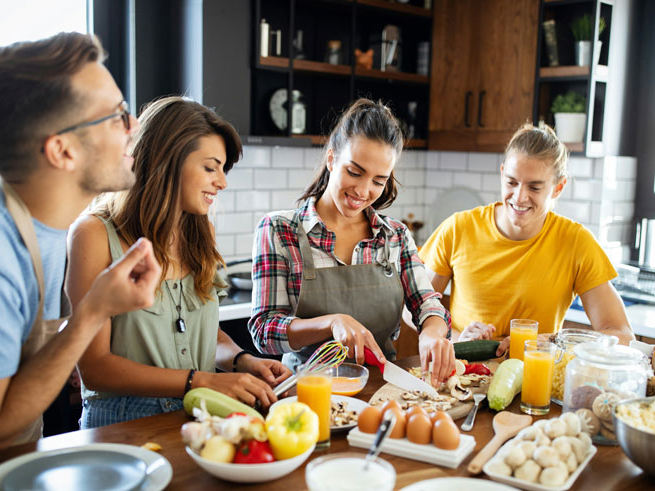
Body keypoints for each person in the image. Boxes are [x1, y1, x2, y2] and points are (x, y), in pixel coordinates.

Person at [0, 33, 162, 456]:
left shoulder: (47, 223)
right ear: (62, 150)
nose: (135, 126)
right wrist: (94, 311)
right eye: (117, 115)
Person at [66, 96, 292, 428]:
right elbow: (95, 367)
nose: (222, 182)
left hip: (198, 418)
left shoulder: (202, 234)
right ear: (168, 159)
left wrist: (242, 361)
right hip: (120, 426)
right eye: (210, 167)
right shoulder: (94, 234)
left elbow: (206, 336)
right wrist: (200, 380)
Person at [248, 98, 454, 387]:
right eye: (355, 172)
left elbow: (427, 303)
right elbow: (264, 332)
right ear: (331, 159)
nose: (363, 190)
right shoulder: (279, 231)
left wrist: (433, 330)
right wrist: (332, 323)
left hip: (383, 394)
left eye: (378, 181)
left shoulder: (394, 236)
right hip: (305, 396)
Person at [419, 123, 634, 354]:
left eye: (534, 187)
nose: (519, 197)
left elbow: (621, 335)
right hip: (461, 379)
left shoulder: (576, 242)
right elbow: (414, 309)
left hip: (537, 381)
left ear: (558, 188)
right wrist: (456, 337)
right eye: (511, 182)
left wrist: (552, 341)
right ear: (502, 173)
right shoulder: (458, 228)